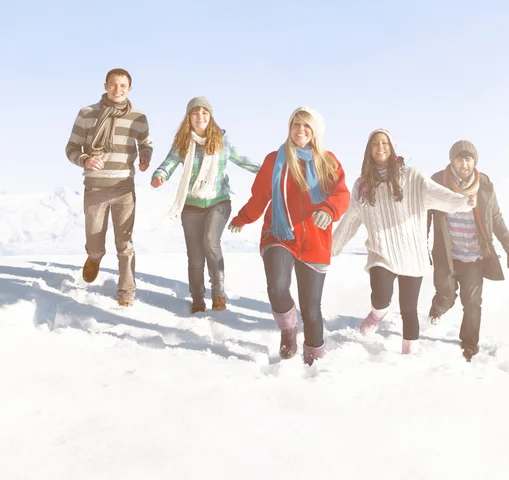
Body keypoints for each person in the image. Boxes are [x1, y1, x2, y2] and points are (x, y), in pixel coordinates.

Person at [332, 129, 475, 355]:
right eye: (375, 143)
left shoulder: (412, 177)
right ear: (369, 150)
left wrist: (462, 201)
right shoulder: (362, 185)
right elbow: (352, 218)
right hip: (381, 252)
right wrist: (331, 247)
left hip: (411, 254)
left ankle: (409, 356)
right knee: (380, 296)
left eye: (385, 143)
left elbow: (438, 194)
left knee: (409, 309)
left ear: (392, 148)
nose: (380, 147)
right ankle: (377, 314)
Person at [228, 107, 350, 365]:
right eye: (296, 124)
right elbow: (261, 195)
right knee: (278, 287)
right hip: (279, 234)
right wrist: (243, 217)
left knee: (311, 310)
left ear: (315, 131)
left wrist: (328, 210)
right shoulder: (275, 159)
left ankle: (314, 361)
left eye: (306, 126)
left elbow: (341, 194)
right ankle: (288, 329)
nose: (300, 130)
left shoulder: (328, 161)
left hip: (315, 240)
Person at [151, 96, 260, 313]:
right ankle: (197, 297)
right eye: (195, 113)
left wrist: (271, 169)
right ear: (188, 118)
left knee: (211, 241)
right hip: (191, 205)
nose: (200, 117)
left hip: (218, 202)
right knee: (195, 255)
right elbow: (169, 162)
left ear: (210, 116)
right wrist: (159, 175)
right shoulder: (183, 143)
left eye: (204, 113)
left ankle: (218, 294)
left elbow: (242, 160)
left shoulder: (222, 140)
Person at [427, 140, 509, 361]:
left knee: (472, 304)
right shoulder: (438, 182)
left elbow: (496, 218)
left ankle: (469, 345)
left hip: (475, 257)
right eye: (459, 159)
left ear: (474, 162)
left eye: (468, 159)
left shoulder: (485, 185)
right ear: (451, 160)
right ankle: (438, 308)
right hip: (447, 256)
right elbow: (425, 213)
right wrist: (421, 243)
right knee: (446, 295)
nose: (464, 164)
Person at [65, 68, 152, 306]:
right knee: (94, 241)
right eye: (113, 85)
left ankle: (126, 291)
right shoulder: (87, 113)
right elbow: (71, 148)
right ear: (105, 86)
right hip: (95, 188)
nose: (118, 90)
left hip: (125, 187)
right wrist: (85, 159)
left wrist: (145, 156)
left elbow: (146, 143)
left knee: (125, 244)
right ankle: (94, 257)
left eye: (123, 86)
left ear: (129, 89)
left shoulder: (138, 117)